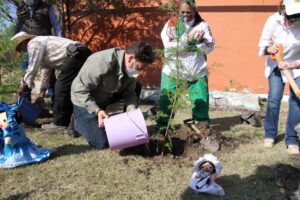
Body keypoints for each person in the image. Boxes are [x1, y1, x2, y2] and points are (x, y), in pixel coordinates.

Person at [71, 41, 155, 149]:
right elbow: (79, 90)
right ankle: (77, 122)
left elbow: (129, 93)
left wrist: (131, 109)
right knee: (102, 143)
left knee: (137, 86)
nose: (140, 71)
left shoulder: (130, 67)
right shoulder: (102, 62)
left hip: (107, 95)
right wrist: (97, 110)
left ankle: (127, 123)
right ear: (130, 58)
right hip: (84, 101)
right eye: (140, 67)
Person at [11, 31, 92, 131]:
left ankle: (60, 123)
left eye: (20, 48)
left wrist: (21, 87)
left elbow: (32, 68)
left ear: (23, 43)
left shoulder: (33, 43)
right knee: (73, 87)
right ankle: (75, 118)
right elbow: (45, 72)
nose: (22, 51)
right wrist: (41, 95)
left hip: (75, 54)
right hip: (81, 53)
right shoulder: (42, 46)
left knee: (61, 87)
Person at [156, 0, 215, 132]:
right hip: (173, 71)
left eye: (189, 12)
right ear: (178, 11)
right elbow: (169, 46)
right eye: (182, 12)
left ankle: (201, 128)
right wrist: (187, 40)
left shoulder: (202, 25)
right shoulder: (172, 24)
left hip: (196, 72)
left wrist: (200, 42)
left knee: (201, 102)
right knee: (167, 101)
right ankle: (162, 129)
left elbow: (210, 46)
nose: (185, 15)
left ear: (194, 11)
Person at [258, 0, 300, 155]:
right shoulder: (272, 20)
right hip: (276, 65)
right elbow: (262, 46)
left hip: (296, 67)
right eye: (291, 16)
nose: (294, 20)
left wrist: (293, 64)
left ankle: (292, 139)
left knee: (296, 101)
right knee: (274, 99)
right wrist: (270, 49)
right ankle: (270, 134)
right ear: (283, 10)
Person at [15, 0, 63, 103]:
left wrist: (60, 39)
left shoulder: (47, 7)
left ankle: (57, 107)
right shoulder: (20, 8)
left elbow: (56, 25)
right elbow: (18, 26)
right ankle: (24, 107)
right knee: (26, 74)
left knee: (49, 77)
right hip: (26, 47)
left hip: (45, 48)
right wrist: (15, 43)